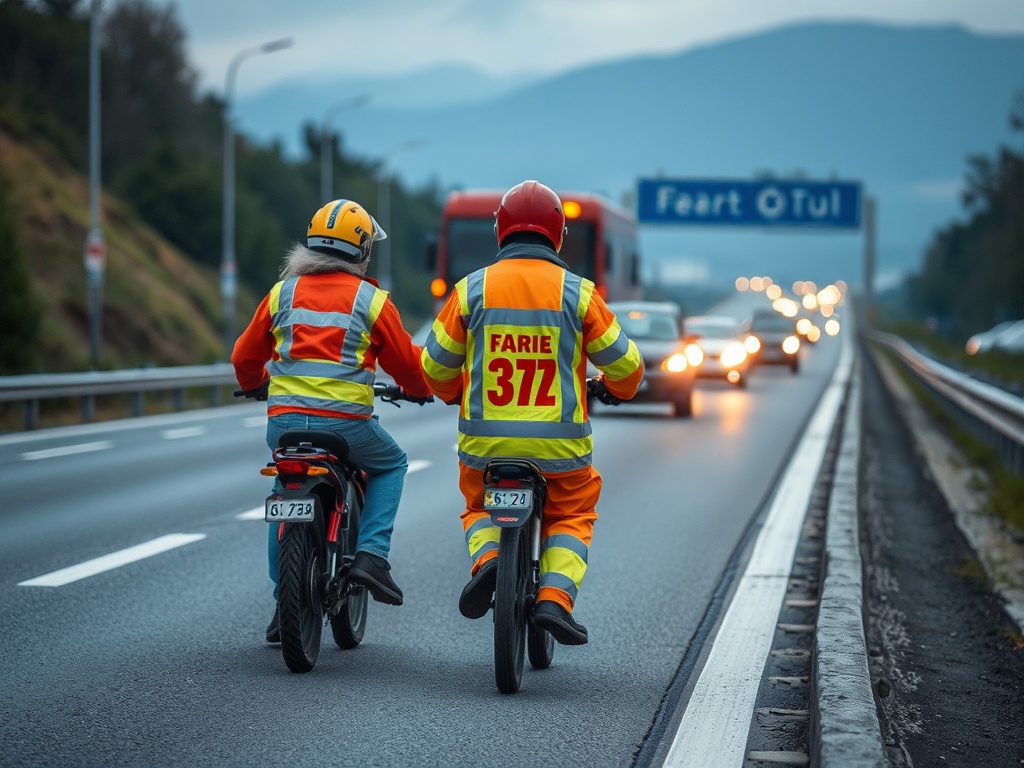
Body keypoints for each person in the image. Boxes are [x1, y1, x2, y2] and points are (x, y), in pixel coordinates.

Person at [420, 180, 644, 645]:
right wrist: (614, 389)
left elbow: (434, 367)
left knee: (477, 506)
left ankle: (490, 562)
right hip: (559, 450)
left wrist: (450, 392)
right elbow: (627, 367)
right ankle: (555, 602)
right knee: (572, 514)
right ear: (558, 234)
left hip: (486, 446)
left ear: (500, 231)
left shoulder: (471, 290)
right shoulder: (578, 294)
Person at [232, 198, 433, 643]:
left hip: (283, 426)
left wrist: (257, 381)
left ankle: (280, 601)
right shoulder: (372, 300)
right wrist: (419, 390)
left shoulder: (281, 293)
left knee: (282, 490)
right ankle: (372, 557)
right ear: (361, 252)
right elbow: (406, 367)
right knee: (392, 464)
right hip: (345, 429)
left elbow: (243, 356)